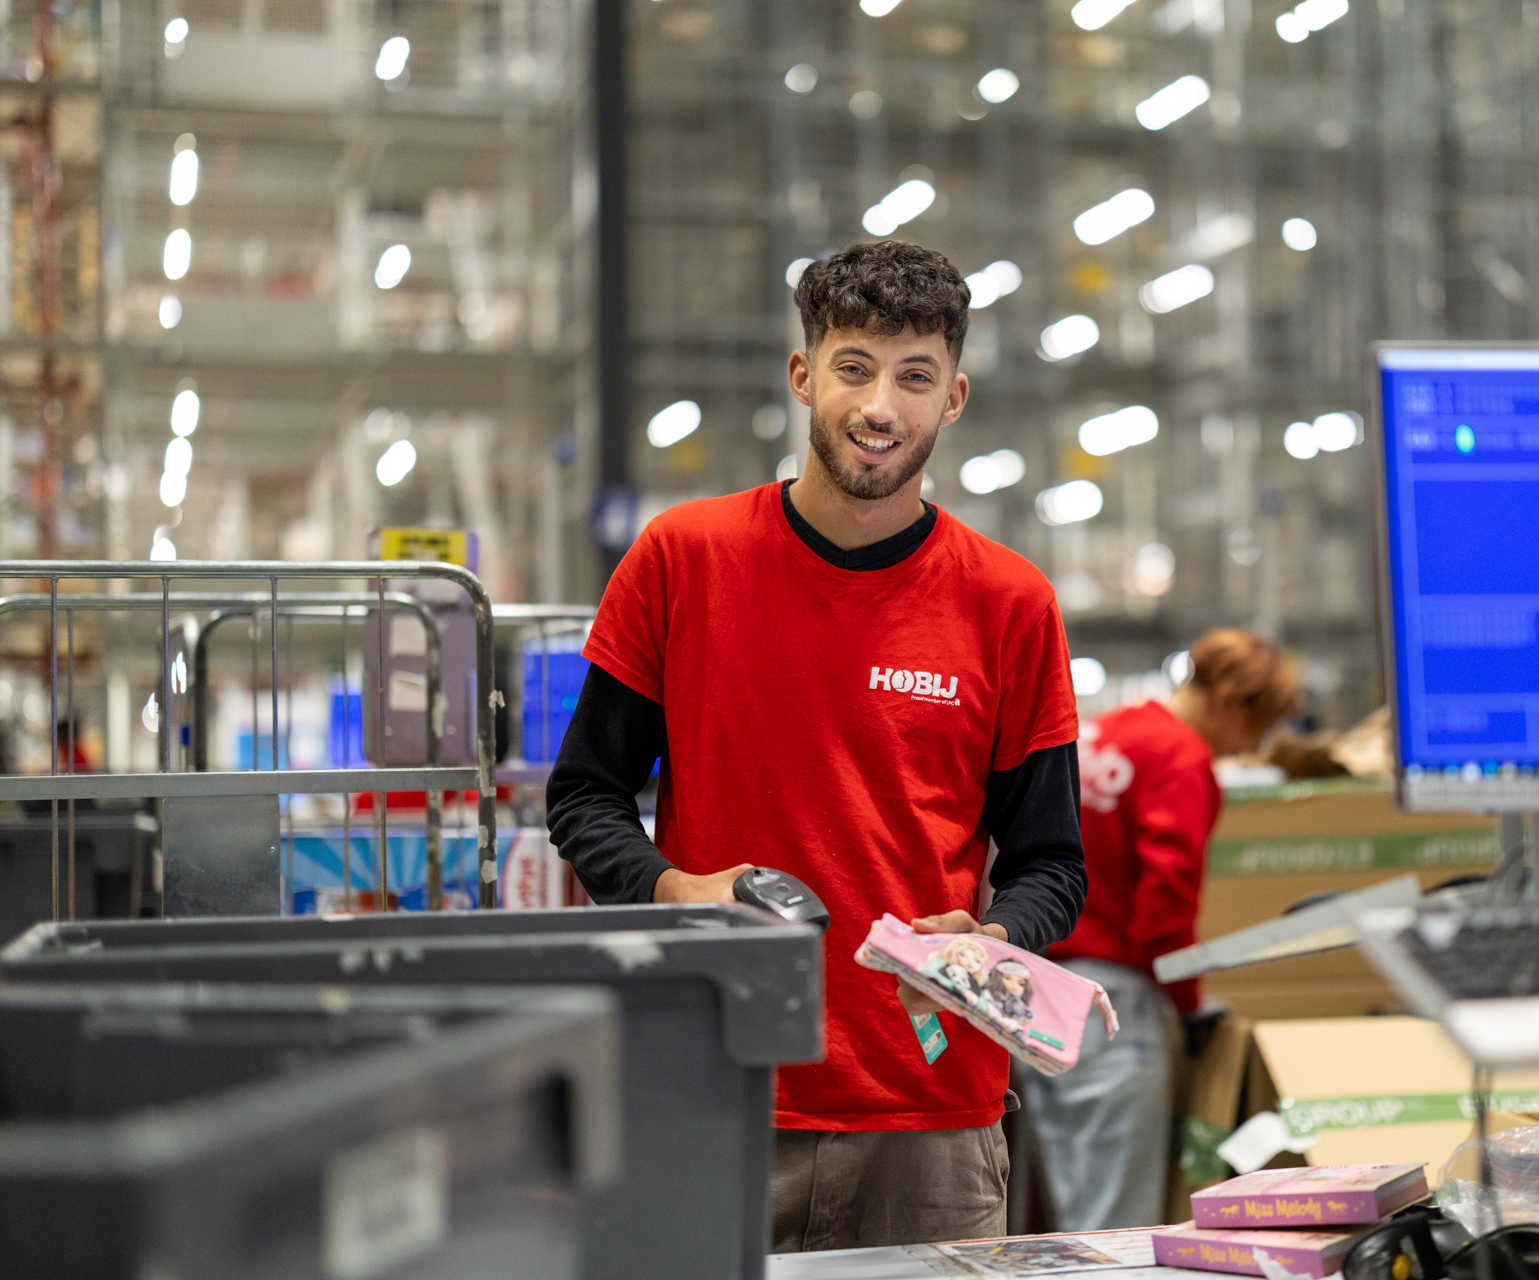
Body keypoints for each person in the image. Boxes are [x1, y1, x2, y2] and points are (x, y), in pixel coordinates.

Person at [545, 239, 1086, 1252]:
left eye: (914, 377)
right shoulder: (682, 560)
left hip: (932, 1121)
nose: (881, 405)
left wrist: (997, 941)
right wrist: (680, 889)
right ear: (804, 374)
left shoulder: (1011, 604)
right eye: (855, 367)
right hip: (719, 1086)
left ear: (953, 397)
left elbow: (1053, 861)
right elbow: (582, 797)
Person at [1015, 629, 1300, 1230]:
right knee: (1114, 1232)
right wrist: (1190, 1006)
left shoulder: (1104, 732)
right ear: (1231, 700)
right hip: (1110, 1010)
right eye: (1260, 727)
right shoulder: (1181, 758)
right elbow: (1163, 910)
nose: (1255, 746)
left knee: (1053, 1217)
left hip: (1031, 991)